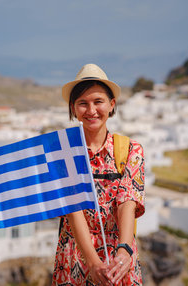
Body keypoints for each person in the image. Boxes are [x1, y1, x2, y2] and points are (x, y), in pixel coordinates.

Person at [52, 63, 145, 285]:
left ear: (112, 105)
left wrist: (124, 251)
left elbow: (128, 202)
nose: (91, 110)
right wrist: (93, 263)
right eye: (83, 103)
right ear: (73, 108)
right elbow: (73, 210)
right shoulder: (64, 152)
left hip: (120, 255)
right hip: (76, 255)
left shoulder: (131, 150)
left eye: (98, 102)